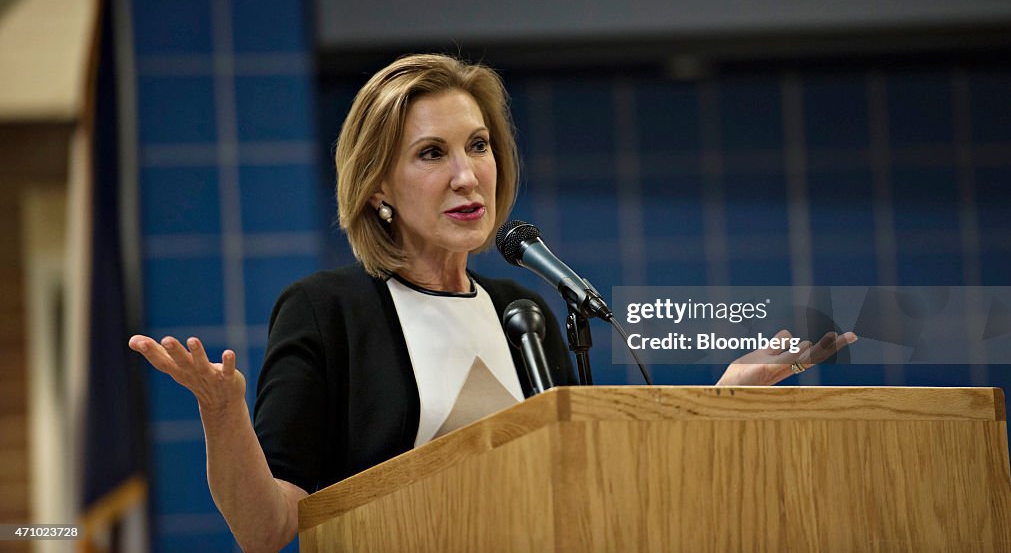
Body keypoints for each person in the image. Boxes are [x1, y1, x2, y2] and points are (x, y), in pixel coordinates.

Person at [128, 54, 855, 552]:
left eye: (477, 145)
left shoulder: (525, 310)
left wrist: (725, 401)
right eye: (431, 153)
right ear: (378, 188)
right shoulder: (328, 311)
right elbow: (267, 528)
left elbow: (598, 484)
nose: (467, 174)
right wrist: (224, 417)